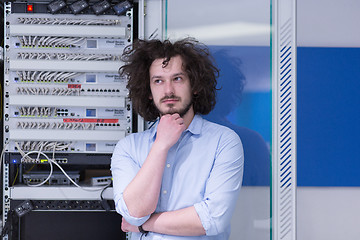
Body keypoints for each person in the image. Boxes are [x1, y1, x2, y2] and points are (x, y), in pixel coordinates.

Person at [111, 37, 244, 240]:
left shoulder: (224, 142)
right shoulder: (128, 148)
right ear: (148, 91)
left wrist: (143, 226)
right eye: (158, 81)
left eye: (178, 79)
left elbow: (212, 219)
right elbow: (134, 212)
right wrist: (161, 145)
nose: (168, 91)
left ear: (195, 85)